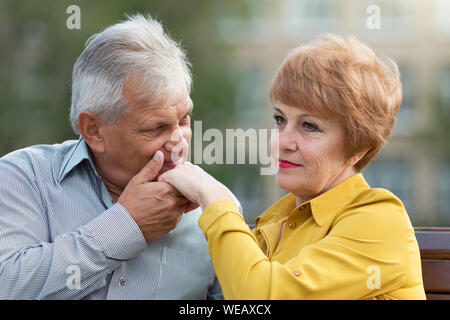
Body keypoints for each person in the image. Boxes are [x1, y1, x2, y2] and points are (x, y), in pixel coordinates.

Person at [159, 34, 427, 300]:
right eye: (280, 119)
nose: (282, 141)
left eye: (309, 126)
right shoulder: (279, 220)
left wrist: (214, 198)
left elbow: (260, 299)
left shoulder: (379, 220)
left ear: (358, 149)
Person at [0, 14, 240, 300]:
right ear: (94, 130)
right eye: (157, 128)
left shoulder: (214, 208)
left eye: (185, 120)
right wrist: (127, 225)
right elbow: (7, 285)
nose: (179, 141)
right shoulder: (23, 178)